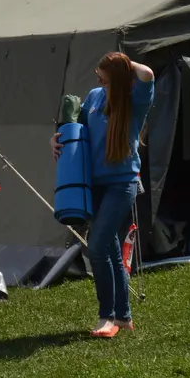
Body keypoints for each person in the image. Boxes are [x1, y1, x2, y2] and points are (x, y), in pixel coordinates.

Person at [52, 52, 155, 338]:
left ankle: (106, 317)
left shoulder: (135, 100)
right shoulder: (95, 97)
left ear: (118, 79)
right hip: (94, 184)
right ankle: (123, 317)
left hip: (121, 184)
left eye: (104, 78)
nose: (98, 81)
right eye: (98, 76)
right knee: (108, 249)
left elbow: (147, 74)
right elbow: (77, 127)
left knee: (96, 247)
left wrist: (124, 63)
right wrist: (57, 137)